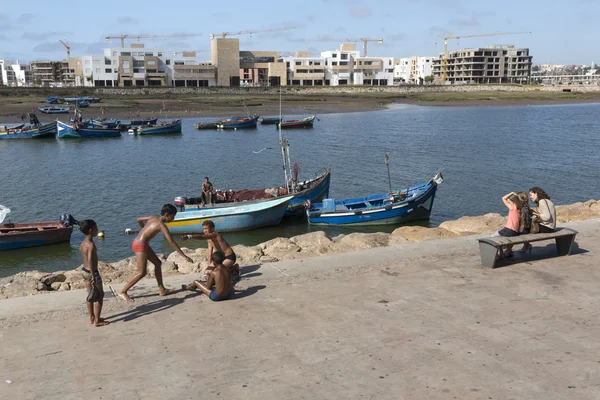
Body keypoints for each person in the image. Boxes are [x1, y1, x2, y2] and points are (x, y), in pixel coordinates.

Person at [118, 204, 194, 302]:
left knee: (158, 263)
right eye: (172, 216)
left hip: (142, 243)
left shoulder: (153, 217)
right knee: (142, 272)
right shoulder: (162, 225)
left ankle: (162, 289)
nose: (173, 219)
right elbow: (172, 242)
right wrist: (184, 256)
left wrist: (144, 229)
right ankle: (123, 292)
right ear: (166, 215)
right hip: (140, 245)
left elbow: (139, 219)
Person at [79, 220, 109, 327]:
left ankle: (91, 317)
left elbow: (85, 258)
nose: (97, 230)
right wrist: (93, 276)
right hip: (92, 272)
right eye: (96, 228)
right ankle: (97, 320)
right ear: (91, 230)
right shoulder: (91, 245)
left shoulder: (83, 244)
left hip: (84, 271)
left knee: (90, 295)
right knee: (100, 296)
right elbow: (91, 260)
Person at [491, 192, 522, 258]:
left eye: (509, 201)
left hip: (508, 230)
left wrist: (512, 193)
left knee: (492, 237)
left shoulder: (512, 208)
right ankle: (508, 251)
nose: (508, 202)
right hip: (515, 232)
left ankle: (500, 254)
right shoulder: (519, 208)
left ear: (513, 202)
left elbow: (503, 198)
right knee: (502, 239)